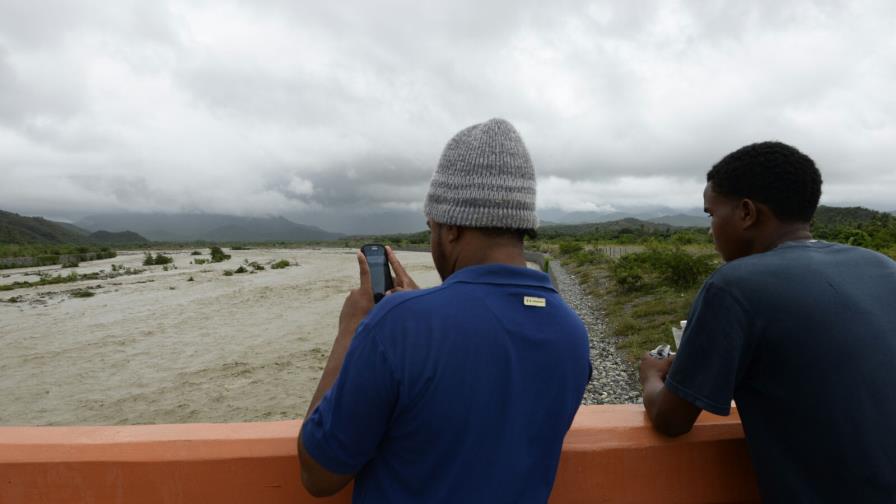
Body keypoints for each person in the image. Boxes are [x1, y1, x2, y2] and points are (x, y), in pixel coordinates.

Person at [297, 118, 592, 502]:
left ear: (451, 228)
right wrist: (427, 307)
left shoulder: (398, 325)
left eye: (431, 225)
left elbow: (318, 475)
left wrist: (351, 330)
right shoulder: (571, 331)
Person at [639, 141, 896, 502]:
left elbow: (672, 421)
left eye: (711, 214)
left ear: (746, 213)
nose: (711, 230)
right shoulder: (882, 266)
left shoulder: (733, 284)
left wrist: (651, 374)